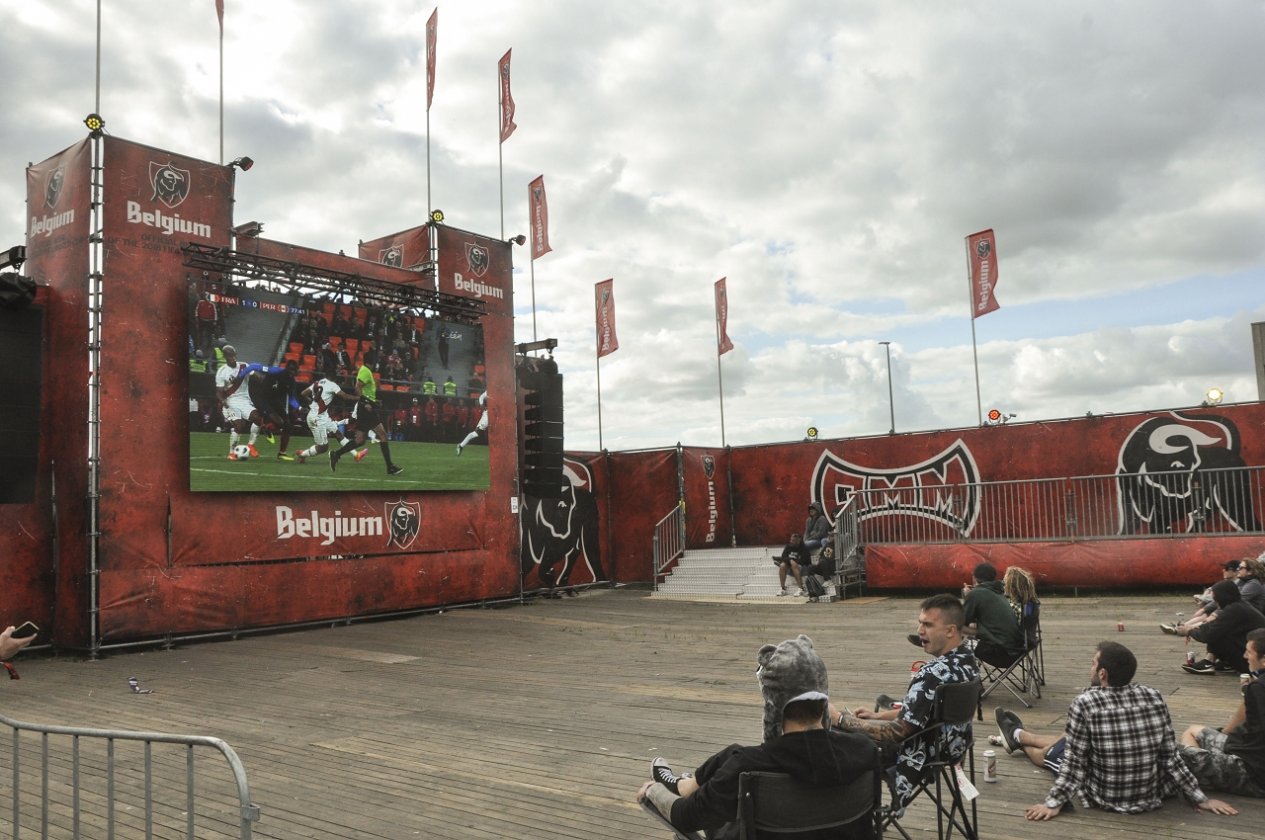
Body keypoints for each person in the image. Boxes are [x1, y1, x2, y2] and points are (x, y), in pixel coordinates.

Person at [637, 635, 879, 840]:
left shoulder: (747, 766)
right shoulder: (864, 750)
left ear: (773, 704)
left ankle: (679, 784)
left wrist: (653, 792)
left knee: (729, 766)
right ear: (824, 699)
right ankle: (684, 784)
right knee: (731, 755)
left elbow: (685, 817)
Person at [992, 641, 1238, 820]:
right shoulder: (1153, 696)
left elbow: (1075, 763)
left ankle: (1018, 741)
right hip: (1150, 792)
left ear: (1102, 673)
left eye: (1092, 664)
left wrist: (1053, 803)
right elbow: (1169, 756)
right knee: (1067, 739)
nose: (1090, 668)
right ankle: (1018, 733)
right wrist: (1200, 798)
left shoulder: (1084, 703)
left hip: (1107, 795)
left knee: (1050, 755)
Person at [830, 593, 979, 810]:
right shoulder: (969, 662)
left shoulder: (930, 675)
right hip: (953, 748)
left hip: (918, 755)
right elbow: (927, 711)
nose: (919, 631)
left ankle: (850, 815)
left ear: (950, 630)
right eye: (920, 623)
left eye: (927, 625)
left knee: (831, 738)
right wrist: (878, 716)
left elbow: (897, 733)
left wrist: (841, 720)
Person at [328, 349, 403, 475]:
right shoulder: (366, 371)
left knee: (360, 440)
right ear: (372, 361)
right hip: (366, 409)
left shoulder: (365, 371)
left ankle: (336, 454)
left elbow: (364, 391)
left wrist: (373, 401)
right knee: (383, 435)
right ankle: (390, 467)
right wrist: (365, 402)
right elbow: (357, 387)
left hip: (366, 408)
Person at [1182, 579, 1265, 674]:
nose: (1215, 601)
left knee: (1218, 635)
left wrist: (1189, 631)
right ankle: (1226, 663)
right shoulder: (1240, 605)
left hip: (1254, 662)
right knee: (1219, 630)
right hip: (1251, 652)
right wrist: (1196, 628)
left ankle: (1208, 663)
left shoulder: (1234, 610)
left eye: (1215, 598)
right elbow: (1211, 626)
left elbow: (1208, 635)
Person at [961, 563, 1025, 668]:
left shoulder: (976, 594)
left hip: (1000, 654)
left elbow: (962, 622)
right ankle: (973, 676)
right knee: (970, 634)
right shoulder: (999, 592)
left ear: (974, 578)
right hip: (1016, 651)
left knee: (954, 641)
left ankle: (968, 678)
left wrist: (968, 597)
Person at [1161, 560, 1243, 635]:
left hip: (1230, 610)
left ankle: (1185, 629)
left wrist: (1204, 607)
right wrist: (1204, 598)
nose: (1223, 570)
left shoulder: (1236, 584)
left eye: (1227, 569)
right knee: (1205, 613)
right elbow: (1211, 589)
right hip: (1225, 607)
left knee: (1207, 615)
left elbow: (1223, 599)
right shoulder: (1228, 582)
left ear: (1236, 572)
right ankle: (1181, 627)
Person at [213, 345, 264, 460]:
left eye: (234, 355)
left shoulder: (244, 366)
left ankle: (251, 445)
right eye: (230, 356)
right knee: (239, 425)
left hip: (244, 400)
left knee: (258, 419)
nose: (233, 357)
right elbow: (218, 392)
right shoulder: (222, 372)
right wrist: (223, 401)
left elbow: (258, 378)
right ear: (226, 357)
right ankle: (231, 453)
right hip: (230, 401)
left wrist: (256, 374)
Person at [295, 376, 354, 464]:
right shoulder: (332, 385)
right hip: (317, 418)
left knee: (338, 433)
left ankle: (356, 455)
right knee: (323, 447)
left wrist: (312, 404)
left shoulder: (318, 382)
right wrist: (359, 398)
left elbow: (303, 393)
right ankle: (302, 454)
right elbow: (344, 396)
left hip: (322, 416)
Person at [456, 391, 488, 455]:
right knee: (476, 433)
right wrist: (481, 405)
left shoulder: (503, 390)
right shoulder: (490, 390)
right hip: (488, 414)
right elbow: (481, 397)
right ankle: (461, 446)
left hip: (498, 414)